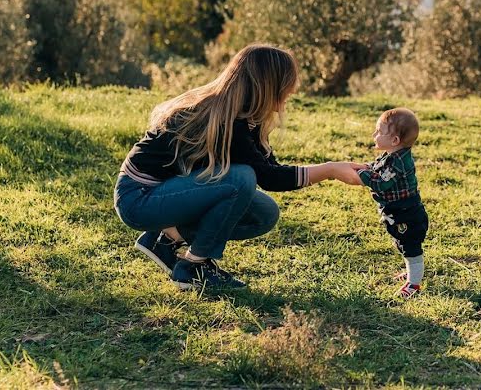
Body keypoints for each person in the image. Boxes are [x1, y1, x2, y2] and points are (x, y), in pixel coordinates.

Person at [114, 44, 362, 291]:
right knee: (240, 179)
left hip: (167, 193)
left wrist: (333, 169)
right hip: (139, 200)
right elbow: (269, 178)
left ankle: (166, 238)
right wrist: (329, 170)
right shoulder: (227, 121)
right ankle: (192, 268)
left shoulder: (247, 118)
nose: (292, 89)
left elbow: (270, 169)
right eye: (288, 83)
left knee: (263, 212)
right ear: (268, 85)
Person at [353, 107, 428, 299]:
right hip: (398, 211)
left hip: (407, 213)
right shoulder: (391, 156)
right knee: (402, 243)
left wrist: (363, 175)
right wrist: (365, 168)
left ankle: (414, 284)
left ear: (395, 140)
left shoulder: (399, 163)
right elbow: (377, 168)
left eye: (379, 131)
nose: (374, 134)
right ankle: (412, 273)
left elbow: (381, 183)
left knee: (411, 247)